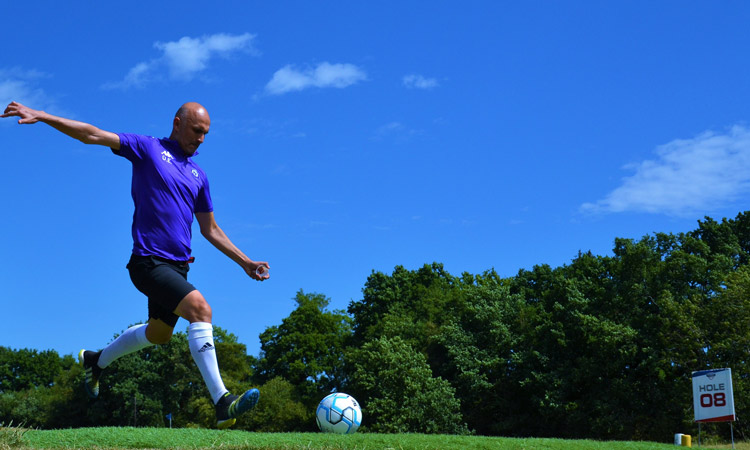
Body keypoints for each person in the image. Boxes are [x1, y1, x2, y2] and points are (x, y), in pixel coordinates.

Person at [1, 101, 270, 429]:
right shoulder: (148, 148)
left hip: (178, 267)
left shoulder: (199, 176)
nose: (201, 139)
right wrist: (43, 116)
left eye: (206, 134)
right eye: (196, 131)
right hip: (148, 263)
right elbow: (92, 135)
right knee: (201, 309)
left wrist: (245, 262)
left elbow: (210, 229)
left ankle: (96, 361)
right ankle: (222, 402)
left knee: (158, 335)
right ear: (177, 123)